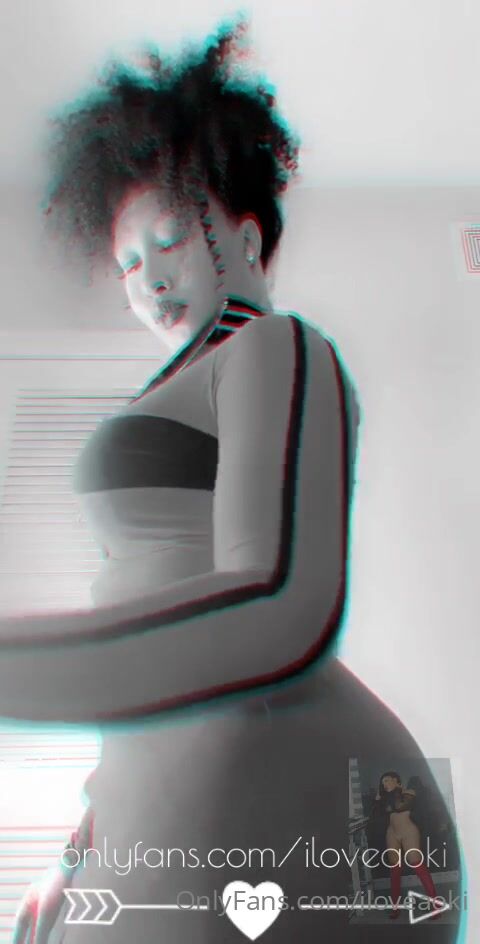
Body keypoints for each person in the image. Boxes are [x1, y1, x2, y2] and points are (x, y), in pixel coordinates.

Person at [4, 15, 462, 943]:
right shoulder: (173, 389)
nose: (148, 279)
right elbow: (153, 646)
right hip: (162, 792)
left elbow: (280, 603)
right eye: (128, 263)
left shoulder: (276, 347)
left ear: (246, 237)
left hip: (288, 791)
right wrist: (78, 847)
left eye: (174, 239)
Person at [370, 771, 444, 921]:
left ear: (397, 781)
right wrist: (378, 799)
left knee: (418, 866)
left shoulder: (408, 792)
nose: (385, 784)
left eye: (387, 781)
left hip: (408, 832)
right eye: (383, 782)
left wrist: (395, 791)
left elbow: (399, 807)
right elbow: (375, 815)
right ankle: (395, 907)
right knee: (395, 870)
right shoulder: (386, 797)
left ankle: (436, 905)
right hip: (392, 832)